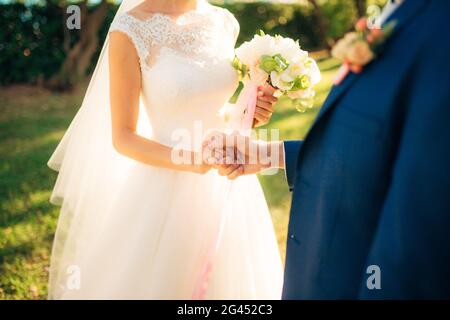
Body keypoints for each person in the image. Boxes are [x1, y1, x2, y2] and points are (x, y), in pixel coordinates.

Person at [47, 0, 281, 299]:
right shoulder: (129, 30)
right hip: (165, 183)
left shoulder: (224, 21)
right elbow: (123, 137)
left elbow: (211, 105)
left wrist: (247, 112)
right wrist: (194, 160)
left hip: (229, 176)